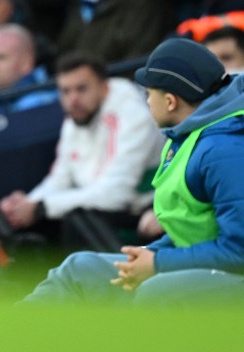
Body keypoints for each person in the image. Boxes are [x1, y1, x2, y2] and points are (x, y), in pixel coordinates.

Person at [22, 38, 244, 305]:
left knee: (154, 293)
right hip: (199, 263)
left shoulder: (224, 150)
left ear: (171, 102)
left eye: (149, 94)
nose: (146, 101)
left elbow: (237, 251)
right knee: (79, 267)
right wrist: (148, 255)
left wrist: (158, 262)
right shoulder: (183, 137)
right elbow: (190, 233)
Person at [0, 53, 162, 241]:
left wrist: (42, 207)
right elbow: (60, 178)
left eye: (81, 89)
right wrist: (27, 204)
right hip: (100, 206)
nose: (73, 99)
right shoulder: (76, 117)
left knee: (70, 223)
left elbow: (117, 195)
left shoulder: (134, 116)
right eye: (66, 91)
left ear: (104, 87)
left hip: (143, 211)